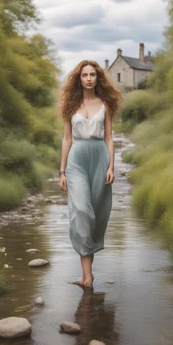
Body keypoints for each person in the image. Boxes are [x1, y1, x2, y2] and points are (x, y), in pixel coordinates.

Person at [58, 60, 121, 289]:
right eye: (84, 75)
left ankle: (86, 276)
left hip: (99, 158)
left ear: (97, 78)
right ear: (79, 78)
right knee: (82, 211)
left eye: (92, 74)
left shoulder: (104, 104)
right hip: (77, 159)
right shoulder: (70, 104)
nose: (88, 78)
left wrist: (111, 166)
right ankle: (89, 277)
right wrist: (62, 171)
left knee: (95, 214)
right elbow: (66, 139)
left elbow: (108, 138)